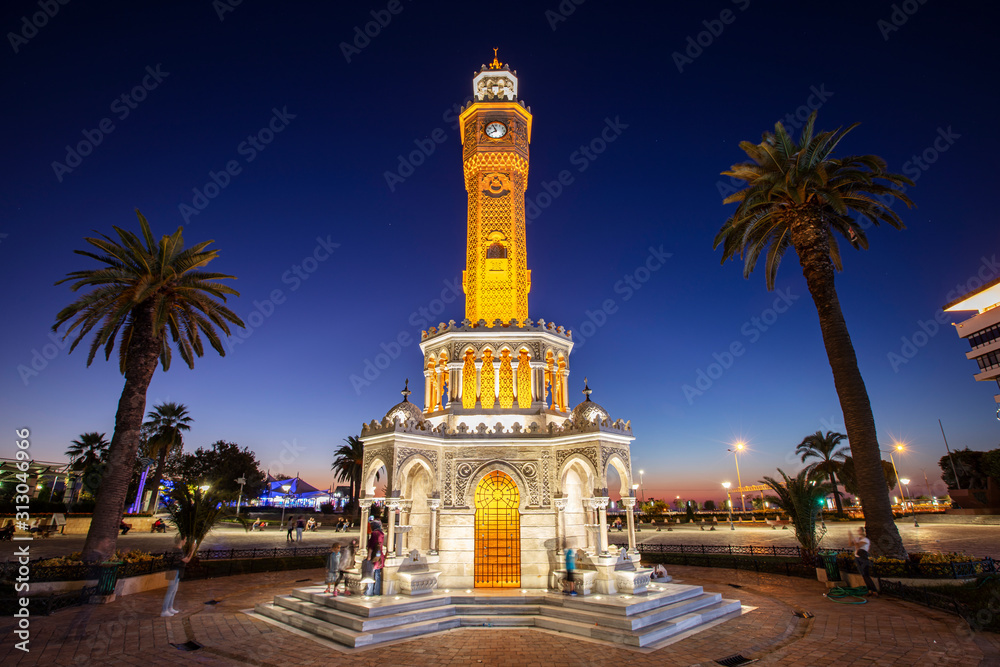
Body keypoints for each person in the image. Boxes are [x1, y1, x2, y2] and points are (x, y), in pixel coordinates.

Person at [162, 536, 196, 617]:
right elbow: (186, 560)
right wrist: (193, 550)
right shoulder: (177, 550)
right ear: (181, 541)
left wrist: (191, 550)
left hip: (176, 571)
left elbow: (184, 558)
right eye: (185, 540)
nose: (185, 541)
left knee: (174, 590)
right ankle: (164, 610)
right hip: (174, 571)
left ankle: (170, 607)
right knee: (170, 591)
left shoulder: (178, 550)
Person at [849, 527, 878, 597]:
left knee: (866, 575)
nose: (858, 531)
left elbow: (858, 546)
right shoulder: (858, 539)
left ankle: (874, 591)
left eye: (859, 530)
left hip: (863, 558)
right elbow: (850, 544)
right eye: (858, 530)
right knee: (863, 575)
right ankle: (869, 590)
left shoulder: (866, 540)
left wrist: (853, 538)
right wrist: (850, 536)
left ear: (863, 531)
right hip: (857, 557)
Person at [366, 520, 386, 596]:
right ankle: (376, 592)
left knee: (370, 574)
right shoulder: (381, 534)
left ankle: (369, 591)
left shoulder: (374, 534)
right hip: (380, 556)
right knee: (377, 575)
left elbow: (372, 545)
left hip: (374, 556)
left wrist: (369, 556)